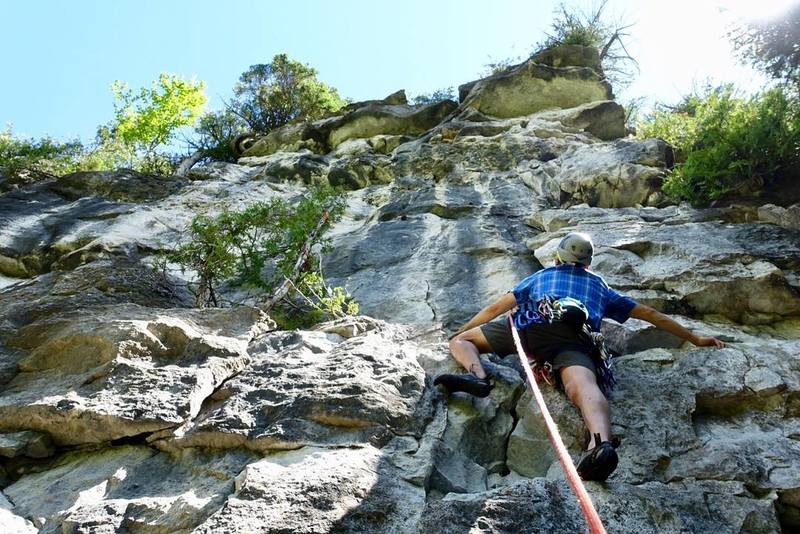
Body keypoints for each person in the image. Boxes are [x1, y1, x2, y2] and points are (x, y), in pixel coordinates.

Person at [434, 232, 726, 481]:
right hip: (577, 339)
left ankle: (479, 377)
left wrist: (458, 331)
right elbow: (650, 315)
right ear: (588, 263)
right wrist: (695, 338)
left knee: (463, 341)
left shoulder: (542, 276)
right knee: (584, 386)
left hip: (533, 326)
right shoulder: (600, 286)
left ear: (558, 257)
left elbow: (494, 310)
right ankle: (600, 445)